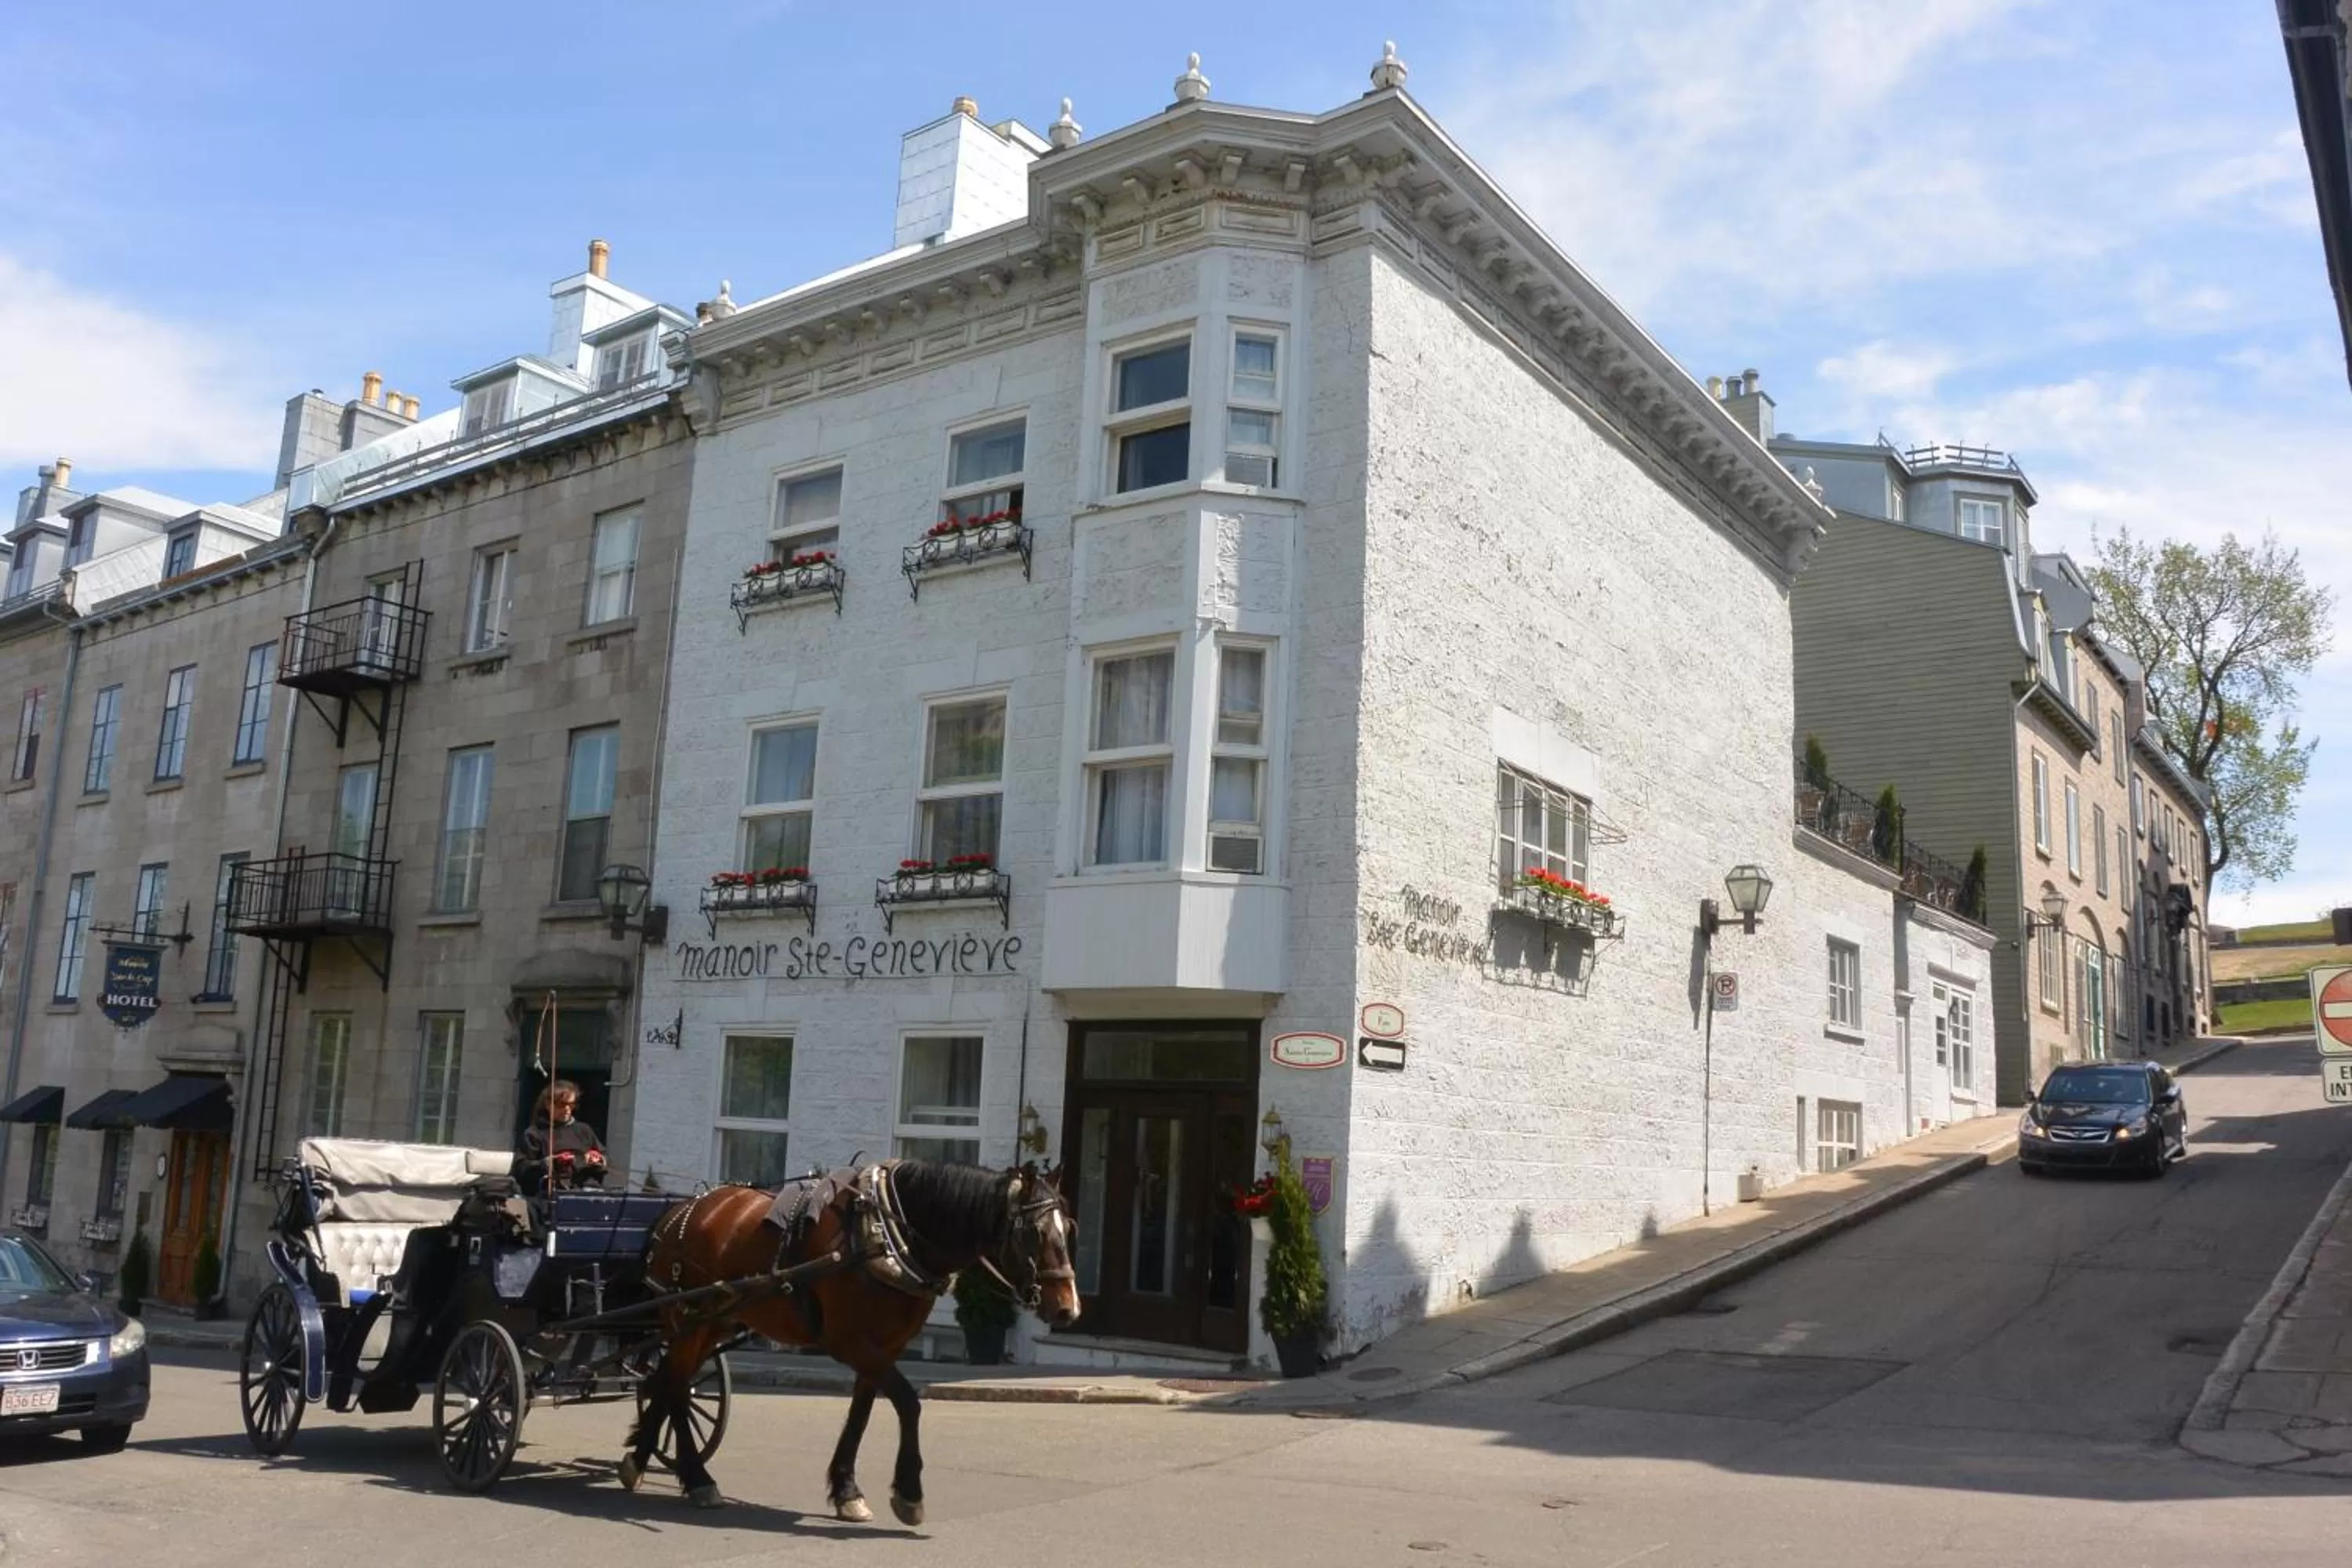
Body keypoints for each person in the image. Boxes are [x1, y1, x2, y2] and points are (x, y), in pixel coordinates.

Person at [520, 1079, 608, 1195]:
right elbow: (522, 1169)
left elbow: (603, 1159)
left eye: (571, 1105)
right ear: (548, 1104)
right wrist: (551, 1163)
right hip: (553, 1193)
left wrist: (598, 1159)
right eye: (562, 1104)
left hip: (588, 1191)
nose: (567, 1110)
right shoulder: (534, 1133)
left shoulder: (584, 1130)